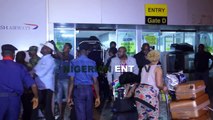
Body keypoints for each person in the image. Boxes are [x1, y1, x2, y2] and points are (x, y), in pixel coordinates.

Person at [0, 44, 39, 120]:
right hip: (14, 100)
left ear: (2, 54)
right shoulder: (20, 67)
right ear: (13, 55)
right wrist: (36, 97)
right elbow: (33, 85)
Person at [67, 43, 100, 120]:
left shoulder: (74, 62)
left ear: (79, 51)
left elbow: (71, 80)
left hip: (78, 90)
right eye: (89, 51)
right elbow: (95, 81)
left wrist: (69, 96)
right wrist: (97, 96)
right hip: (89, 90)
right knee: (89, 114)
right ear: (87, 51)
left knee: (80, 114)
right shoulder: (92, 62)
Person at [134, 50, 167, 120]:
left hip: (138, 92)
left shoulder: (144, 67)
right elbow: (158, 84)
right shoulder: (158, 68)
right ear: (158, 58)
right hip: (149, 93)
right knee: (153, 117)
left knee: (141, 117)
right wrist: (164, 87)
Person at [31, 42, 56, 120]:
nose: (42, 48)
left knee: (46, 109)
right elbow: (34, 70)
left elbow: (40, 73)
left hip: (46, 88)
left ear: (49, 50)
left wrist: (31, 74)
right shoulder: (43, 59)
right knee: (40, 107)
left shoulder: (50, 60)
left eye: (44, 47)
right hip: (41, 87)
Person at [54, 42, 74, 120]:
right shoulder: (59, 55)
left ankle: (69, 114)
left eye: (65, 47)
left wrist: (55, 47)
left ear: (69, 49)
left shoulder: (70, 57)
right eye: (64, 46)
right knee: (58, 98)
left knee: (67, 98)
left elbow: (63, 57)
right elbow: (55, 56)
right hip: (58, 79)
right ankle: (60, 115)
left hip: (66, 79)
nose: (64, 47)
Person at [16, 51, 35, 120]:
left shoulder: (14, 65)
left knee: (17, 109)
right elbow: (32, 76)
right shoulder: (28, 65)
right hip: (27, 90)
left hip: (17, 90)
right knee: (27, 109)